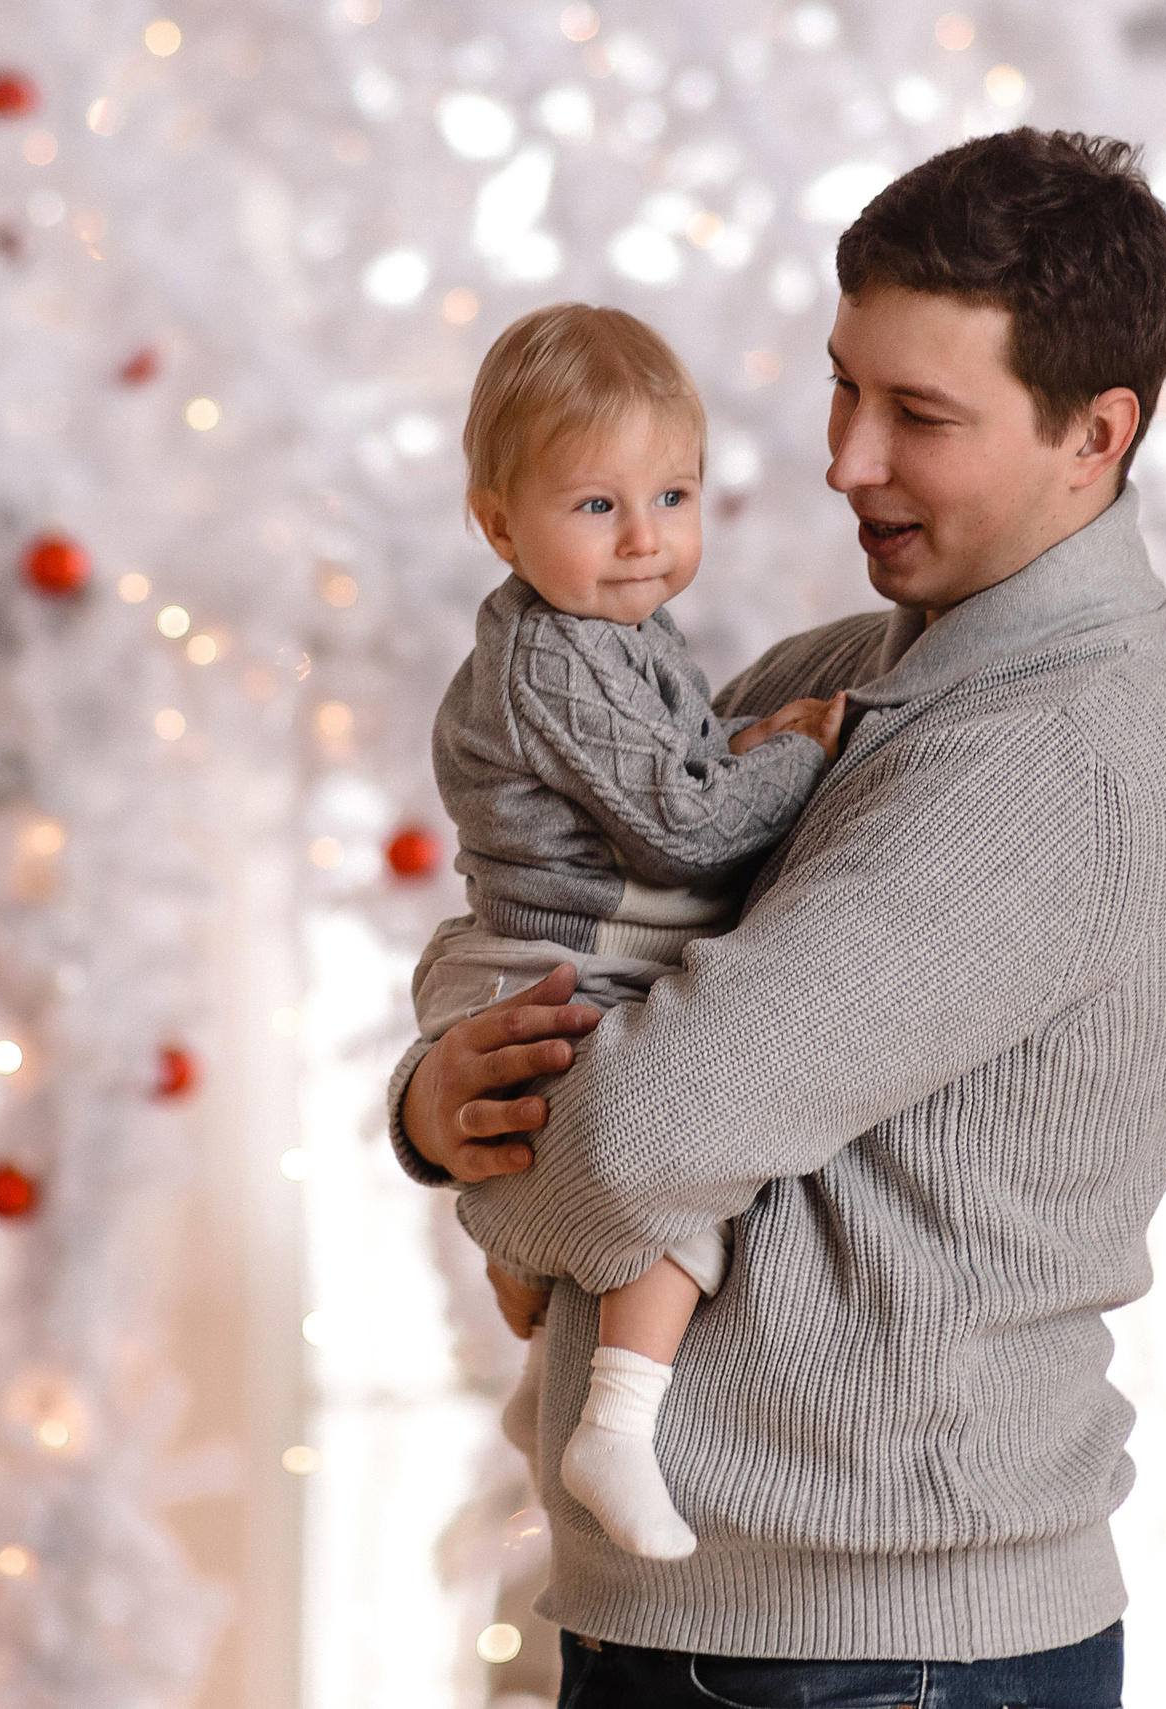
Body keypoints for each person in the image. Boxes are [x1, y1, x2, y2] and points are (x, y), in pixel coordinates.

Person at [388, 128, 1166, 1708]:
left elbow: (628, 1144)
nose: (847, 457)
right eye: (845, 388)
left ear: (1094, 434)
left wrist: (486, 1169)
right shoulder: (843, 681)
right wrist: (433, 1098)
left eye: (919, 414)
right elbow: (551, 915)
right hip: (737, 1625)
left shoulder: (1054, 762)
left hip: (874, 1649)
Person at [413, 301, 845, 1561]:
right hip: (564, 959)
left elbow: (673, 762)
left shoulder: (614, 632)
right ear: (498, 521)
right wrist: (801, 760)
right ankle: (614, 1415)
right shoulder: (554, 658)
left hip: (572, 939)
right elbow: (687, 830)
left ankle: (550, 1359)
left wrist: (737, 750)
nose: (645, 538)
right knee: (678, 1168)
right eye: (596, 505)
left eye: (673, 494)